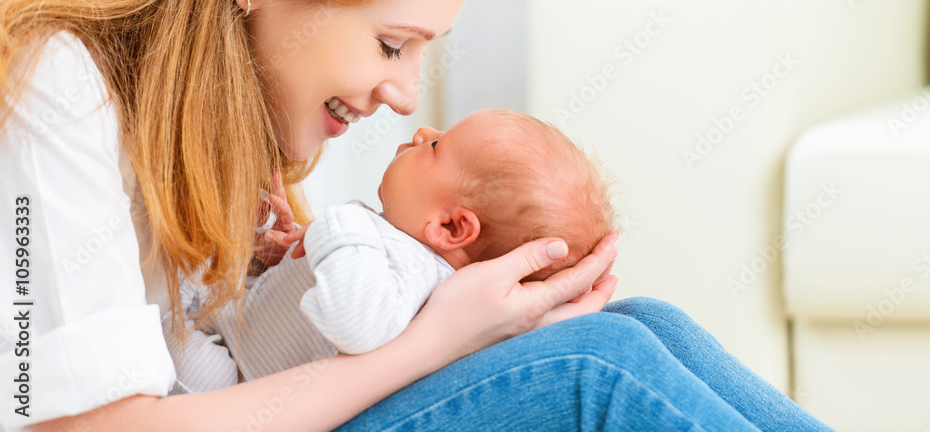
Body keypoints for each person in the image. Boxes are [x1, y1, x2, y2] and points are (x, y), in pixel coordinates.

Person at [0, 0, 834, 430]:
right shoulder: (60, 82)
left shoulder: (213, 119)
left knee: (644, 328)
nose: (403, 95)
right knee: (597, 369)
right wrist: (438, 340)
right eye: (392, 44)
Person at [163, 108, 617, 386]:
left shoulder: (417, 271)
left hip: (241, 380)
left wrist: (336, 225)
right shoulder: (401, 255)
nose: (421, 132)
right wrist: (284, 259)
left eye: (437, 146)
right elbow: (321, 302)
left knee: (173, 341)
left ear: (451, 227)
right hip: (244, 335)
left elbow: (356, 325)